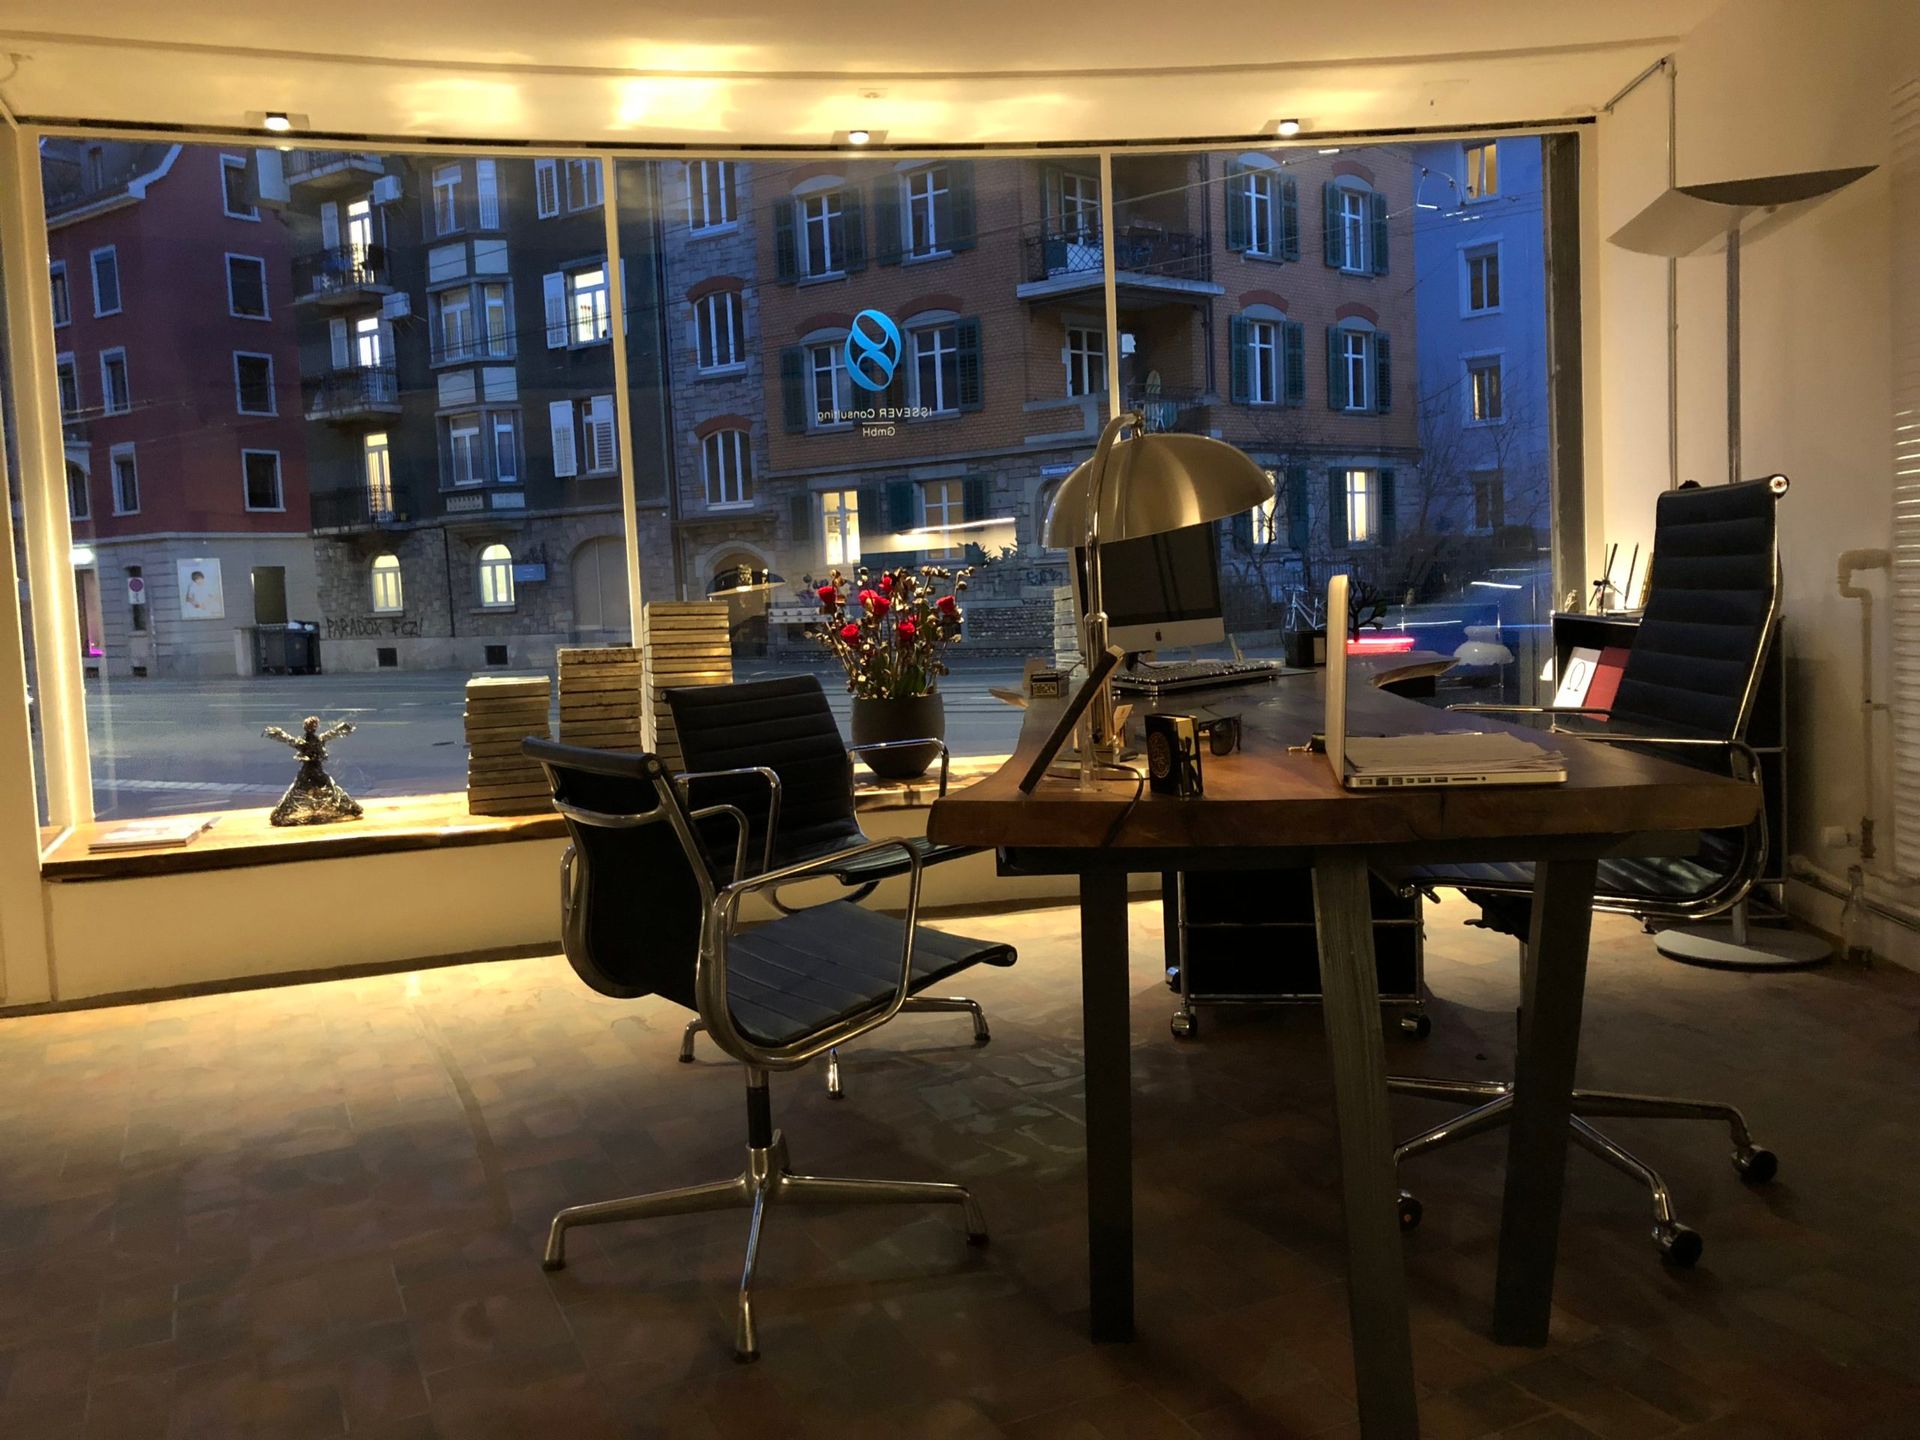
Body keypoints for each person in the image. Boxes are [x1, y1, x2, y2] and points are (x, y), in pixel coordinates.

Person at [262, 717, 363, 826]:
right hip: (310, 771)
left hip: (314, 771)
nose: (313, 728)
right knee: (302, 791)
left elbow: (330, 734)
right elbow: (289, 740)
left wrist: (341, 729)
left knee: (327, 788)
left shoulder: (315, 740)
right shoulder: (306, 742)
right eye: (311, 726)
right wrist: (277, 734)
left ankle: (351, 808)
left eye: (314, 726)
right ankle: (351, 808)